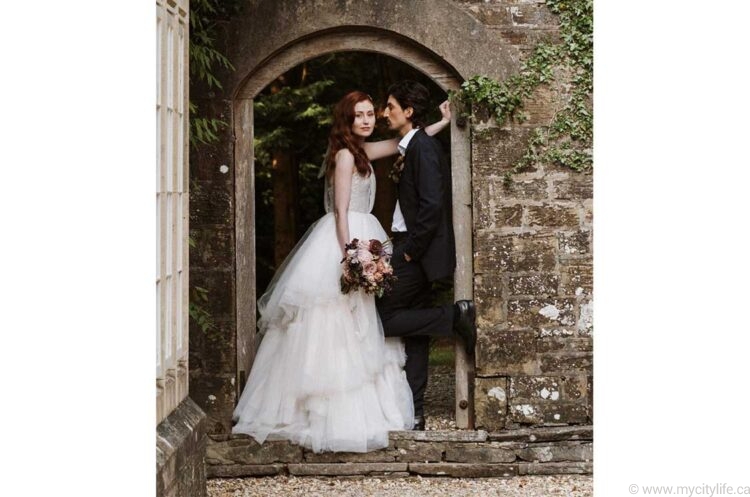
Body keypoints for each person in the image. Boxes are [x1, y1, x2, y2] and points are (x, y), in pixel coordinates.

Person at [231, 91, 451, 453]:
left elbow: (402, 142)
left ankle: (372, 406)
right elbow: (341, 211)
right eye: (359, 116)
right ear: (346, 121)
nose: (366, 120)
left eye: (369, 114)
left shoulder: (363, 151)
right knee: (335, 321)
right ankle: (329, 410)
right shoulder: (346, 156)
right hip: (346, 238)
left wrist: (441, 122)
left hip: (368, 234)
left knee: (366, 320)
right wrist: (351, 256)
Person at [376, 80, 477, 431]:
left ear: (408, 111)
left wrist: (408, 255)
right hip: (409, 247)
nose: (383, 112)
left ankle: (453, 317)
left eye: (389, 106)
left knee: (382, 318)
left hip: (415, 252)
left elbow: (433, 206)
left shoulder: (422, 149)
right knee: (415, 333)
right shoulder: (415, 145)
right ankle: (415, 413)